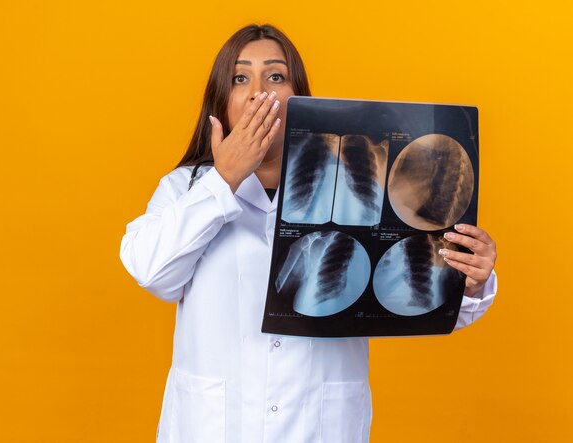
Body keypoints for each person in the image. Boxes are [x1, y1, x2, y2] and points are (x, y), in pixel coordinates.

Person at [120, 24, 497, 443]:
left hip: (318, 428)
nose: (257, 92)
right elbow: (151, 273)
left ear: (300, 98)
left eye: (276, 77)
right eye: (239, 78)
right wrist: (222, 180)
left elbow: (422, 307)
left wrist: (471, 278)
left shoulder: (364, 185)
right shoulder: (185, 189)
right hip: (213, 426)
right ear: (220, 101)